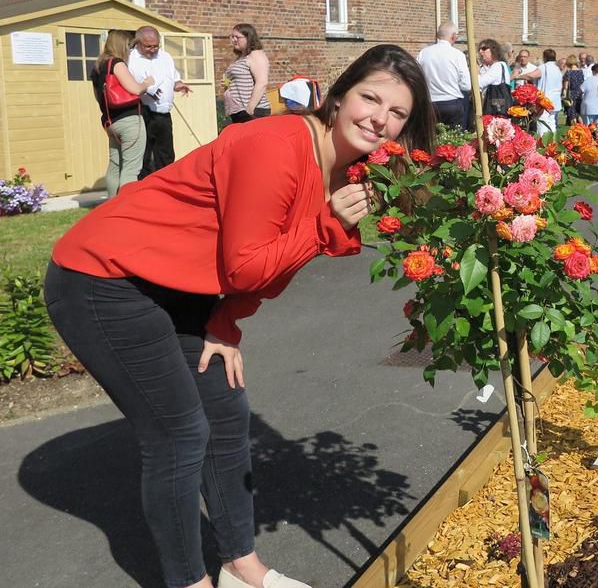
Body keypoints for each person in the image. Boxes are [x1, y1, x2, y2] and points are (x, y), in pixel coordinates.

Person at [44, 44, 435, 588]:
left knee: (226, 414)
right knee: (178, 436)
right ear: (339, 95)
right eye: (371, 98)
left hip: (179, 285)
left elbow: (274, 260)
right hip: (104, 278)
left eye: (397, 113)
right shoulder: (278, 146)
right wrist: (324, 225)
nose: (380, 119)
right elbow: (252, 265)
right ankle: (189, 581)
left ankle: (241, 568)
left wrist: (227, 323)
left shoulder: (347, 171)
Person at [92, 29, 155, 197]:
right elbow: (134, 88)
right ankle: (126, 210)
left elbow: (98, 97)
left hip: (110, 122)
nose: (129, 49)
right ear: (121, 45)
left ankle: (111, 207)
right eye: (128, 45)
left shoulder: (98, 66)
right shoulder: (117, 63)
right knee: (131, 168)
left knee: (115, 165)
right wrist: (147, 83)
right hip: (129, 121)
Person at [128, 26, 192, 178]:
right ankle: (144, 190)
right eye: (148, 46)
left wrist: (179, 85)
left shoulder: (165, 56)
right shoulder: (130, 58)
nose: (152, 49)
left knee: (166, 155)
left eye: (156, 45)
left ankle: (165, 188)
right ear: (138, 43)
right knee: (143, 156)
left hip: (163, 113)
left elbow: (174, 79)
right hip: (142, 111)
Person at [416, 21, 471, 129]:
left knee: (430, 139)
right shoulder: (458, 55)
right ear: (454, 37)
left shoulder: (424, 53)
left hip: (430, 103)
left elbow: (417, 77)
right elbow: (466, 85)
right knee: (454, 141)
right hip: (452, 103)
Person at [224, 24, 271, 123]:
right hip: (239, 111)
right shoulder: (242, 57)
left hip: (253, 112)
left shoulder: (256, 55)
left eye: (237, 37)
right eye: (232, 37)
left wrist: (250, 109)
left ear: (248, 38)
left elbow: (262, 82)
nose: (233, 40)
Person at [536, 48, 563, 136]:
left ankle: (543, 142)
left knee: (542, 121)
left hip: (546, 100)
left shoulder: (543, 67)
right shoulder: (558, 69)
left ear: (544, 57)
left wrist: (519, 76)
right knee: (552, 122)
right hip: (556, 100)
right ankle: (553, 142)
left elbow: (532, 75)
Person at [563, 54, 584, 125]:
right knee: (578, 112)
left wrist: (564, 96)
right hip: (580, 93)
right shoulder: (581, 72)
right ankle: (583, 126)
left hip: (572, 94)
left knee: (572, 113)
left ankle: (574, 127)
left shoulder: (568, 72)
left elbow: (565, 87)